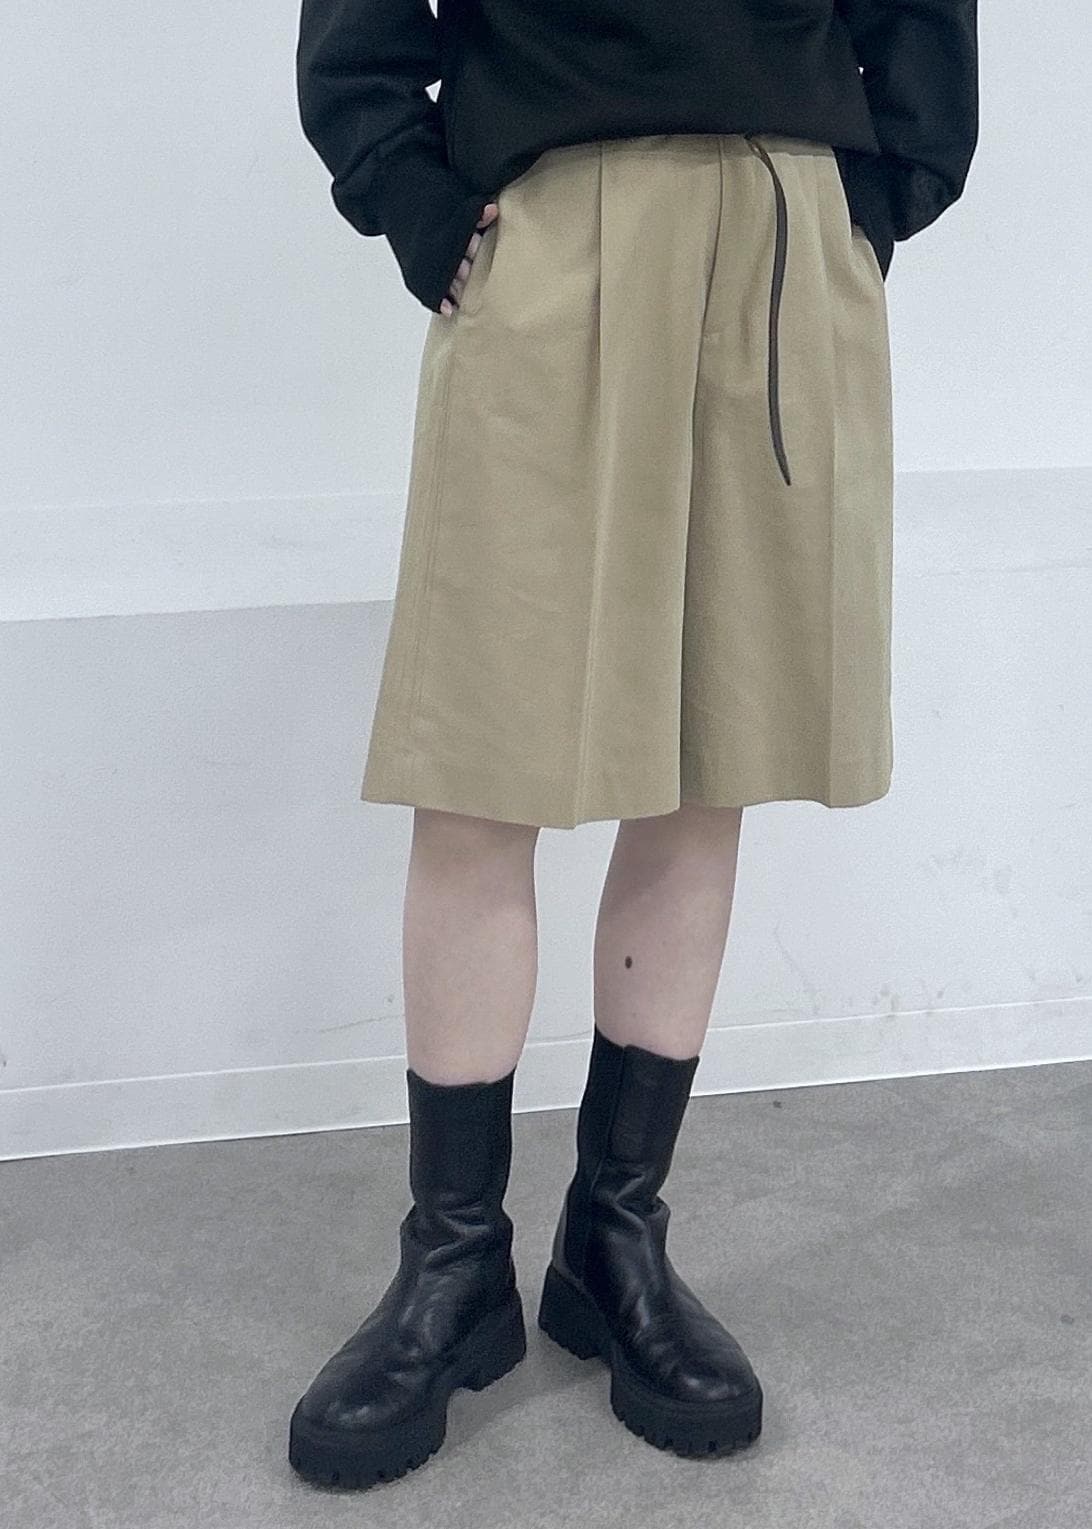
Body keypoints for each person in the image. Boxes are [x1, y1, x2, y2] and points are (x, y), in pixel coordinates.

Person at [290, 0, 979, 1491]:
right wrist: (409, 189)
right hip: (546, 223)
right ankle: (452, 1262)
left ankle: (615, 1239)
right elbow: (358, 28)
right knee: (478, 768)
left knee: (705, 762)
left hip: (786, 224)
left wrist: (893, 183)